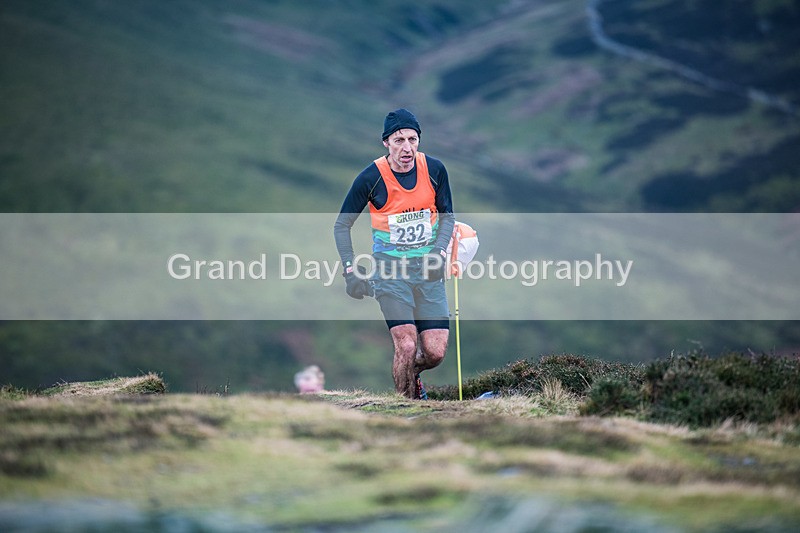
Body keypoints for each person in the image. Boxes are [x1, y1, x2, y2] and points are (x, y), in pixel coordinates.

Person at [334, 108, 455, 400]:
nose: (407, 148)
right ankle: (405, 409)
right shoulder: (371, 177)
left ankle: (411, 376)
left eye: (412, 139)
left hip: (428, 271)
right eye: (399, 140)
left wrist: (438, 253)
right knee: (406, 345)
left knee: (435, 352)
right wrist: (350, 271)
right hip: (389, 272)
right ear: (385, 142)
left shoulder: (435, 170)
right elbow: (342, 225)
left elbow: (447, 216)